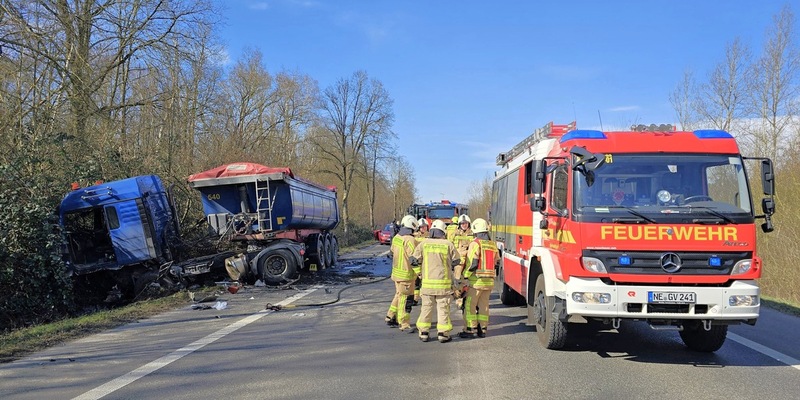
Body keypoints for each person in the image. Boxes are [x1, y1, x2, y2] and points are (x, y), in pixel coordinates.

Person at [411, 219, 461, 343]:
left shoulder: (424, 244)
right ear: (443, 232)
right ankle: (443, 334)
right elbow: (457, 261)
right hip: (443, 285)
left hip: (427, 285)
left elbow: (413, 260)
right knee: (443, 309)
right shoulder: (448, 244)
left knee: (426, 308)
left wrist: (419, 273)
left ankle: (424, 333)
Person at [459, 218, 499, 339]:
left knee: (470, 305)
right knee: (484, 306)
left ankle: (470, 329)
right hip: (489, 281)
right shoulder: (493, 245)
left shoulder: (475, 244)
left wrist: (465, 275)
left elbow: (473, 263)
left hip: (476, 281)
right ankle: (483, 329)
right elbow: (497, 263)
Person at [384, 215, 419, 332]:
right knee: (406, 299)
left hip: (396, 274)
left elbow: (392, 253)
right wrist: (420, 273)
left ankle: (390, 316)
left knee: (399, 295)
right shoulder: (410, 240)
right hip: (406, 276)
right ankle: (404, 323)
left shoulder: (397, 238)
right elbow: (413, 259)